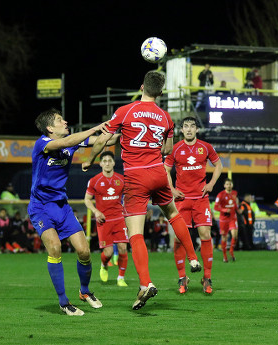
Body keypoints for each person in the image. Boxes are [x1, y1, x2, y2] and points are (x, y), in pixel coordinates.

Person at [82, 71, 202, 310]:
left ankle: (145, 282)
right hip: (158, 172)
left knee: (135, 233)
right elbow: (167, 149)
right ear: (160, 93)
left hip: (136, 176)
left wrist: (89, 160)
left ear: (141, 88)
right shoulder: (166, 117)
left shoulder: (125, 111)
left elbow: (101, 140)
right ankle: (193, 257)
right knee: (173, 214)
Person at [27, 108, 112, 316]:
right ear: (49, 128)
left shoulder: (70, 144)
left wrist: (124, 129)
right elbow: (66, 142)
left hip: (62, 207)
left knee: (84, 251)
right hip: (40, 207)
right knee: (54, 248)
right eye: (59, 120)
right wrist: (94, 128)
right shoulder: (42, 144)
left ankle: (84, 292)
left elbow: (106, 140)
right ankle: (64, 302)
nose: (65, 121)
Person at [164, 116, 222, 294]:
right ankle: (182, 277)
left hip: (200, 198)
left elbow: (218, 165)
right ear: (182, 130)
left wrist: (211, 184)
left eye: (192, 126)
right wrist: (171, 189)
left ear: (197, 129)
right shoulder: (176, 148)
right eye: (186, 127)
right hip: (181, 199)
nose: (189, 129)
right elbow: (165, 169)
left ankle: (207, 277)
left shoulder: (205, 147)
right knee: (179, 238)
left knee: (205, 234)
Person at [84, 151, 129, 287]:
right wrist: (96, 211)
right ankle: (104, 264)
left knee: (122, 248)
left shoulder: (121, 179)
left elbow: (129, 196)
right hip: (103, 221)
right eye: (105, 161)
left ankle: (121, 278)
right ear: (101, 163)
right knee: (108, 253)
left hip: (119, 219)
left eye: (110, 160)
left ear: (114, 163)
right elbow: (87, 200)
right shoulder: (94, 181)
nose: (108, 163)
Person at [214, 178, 239, 262]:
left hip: (232, 218)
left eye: (230, 184)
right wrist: (224, 210)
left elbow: (234, 204)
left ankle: (231, 251)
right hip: (224, 219)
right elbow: (215, 207)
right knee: (224, 237)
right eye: (227, 184)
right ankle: (225, 256)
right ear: (224, 185)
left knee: (234, 235)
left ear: (232, 185)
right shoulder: (220, 195)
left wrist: (238, 209)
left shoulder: (234, 193)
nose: (229, 185)